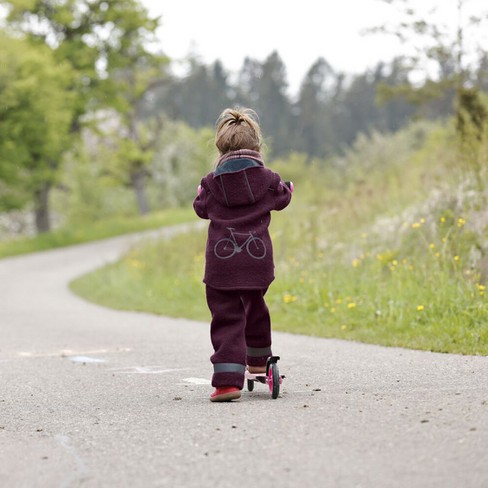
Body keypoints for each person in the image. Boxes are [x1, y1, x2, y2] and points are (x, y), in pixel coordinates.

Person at [193, 107, 293, 402]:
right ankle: (260, 363)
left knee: (226, 317)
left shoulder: (211, 184)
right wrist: (288, 189)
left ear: (220, 147)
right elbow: (282, 198)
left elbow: (201, 209)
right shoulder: (268, 179)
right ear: (256, 146)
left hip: (222, 267)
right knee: (255, 309)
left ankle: (226, 382)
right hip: (257, 263)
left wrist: (201, 191)